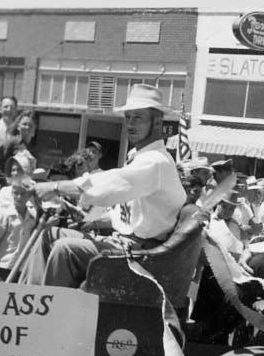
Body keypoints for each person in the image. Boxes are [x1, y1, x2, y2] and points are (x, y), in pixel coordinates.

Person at [36, 85, 186, 288]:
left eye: (138, 117)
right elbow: (132, 217)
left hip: (141, 257)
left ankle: (48, 313)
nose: (131, 124)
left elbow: (106, 185)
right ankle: (27, 301)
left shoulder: (155, 161)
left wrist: (54, 187)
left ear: (158, 121)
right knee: (48, 235)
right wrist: (93, 222)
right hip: (127, 245)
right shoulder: (140, 157)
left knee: (65, 249)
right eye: (128, 117)